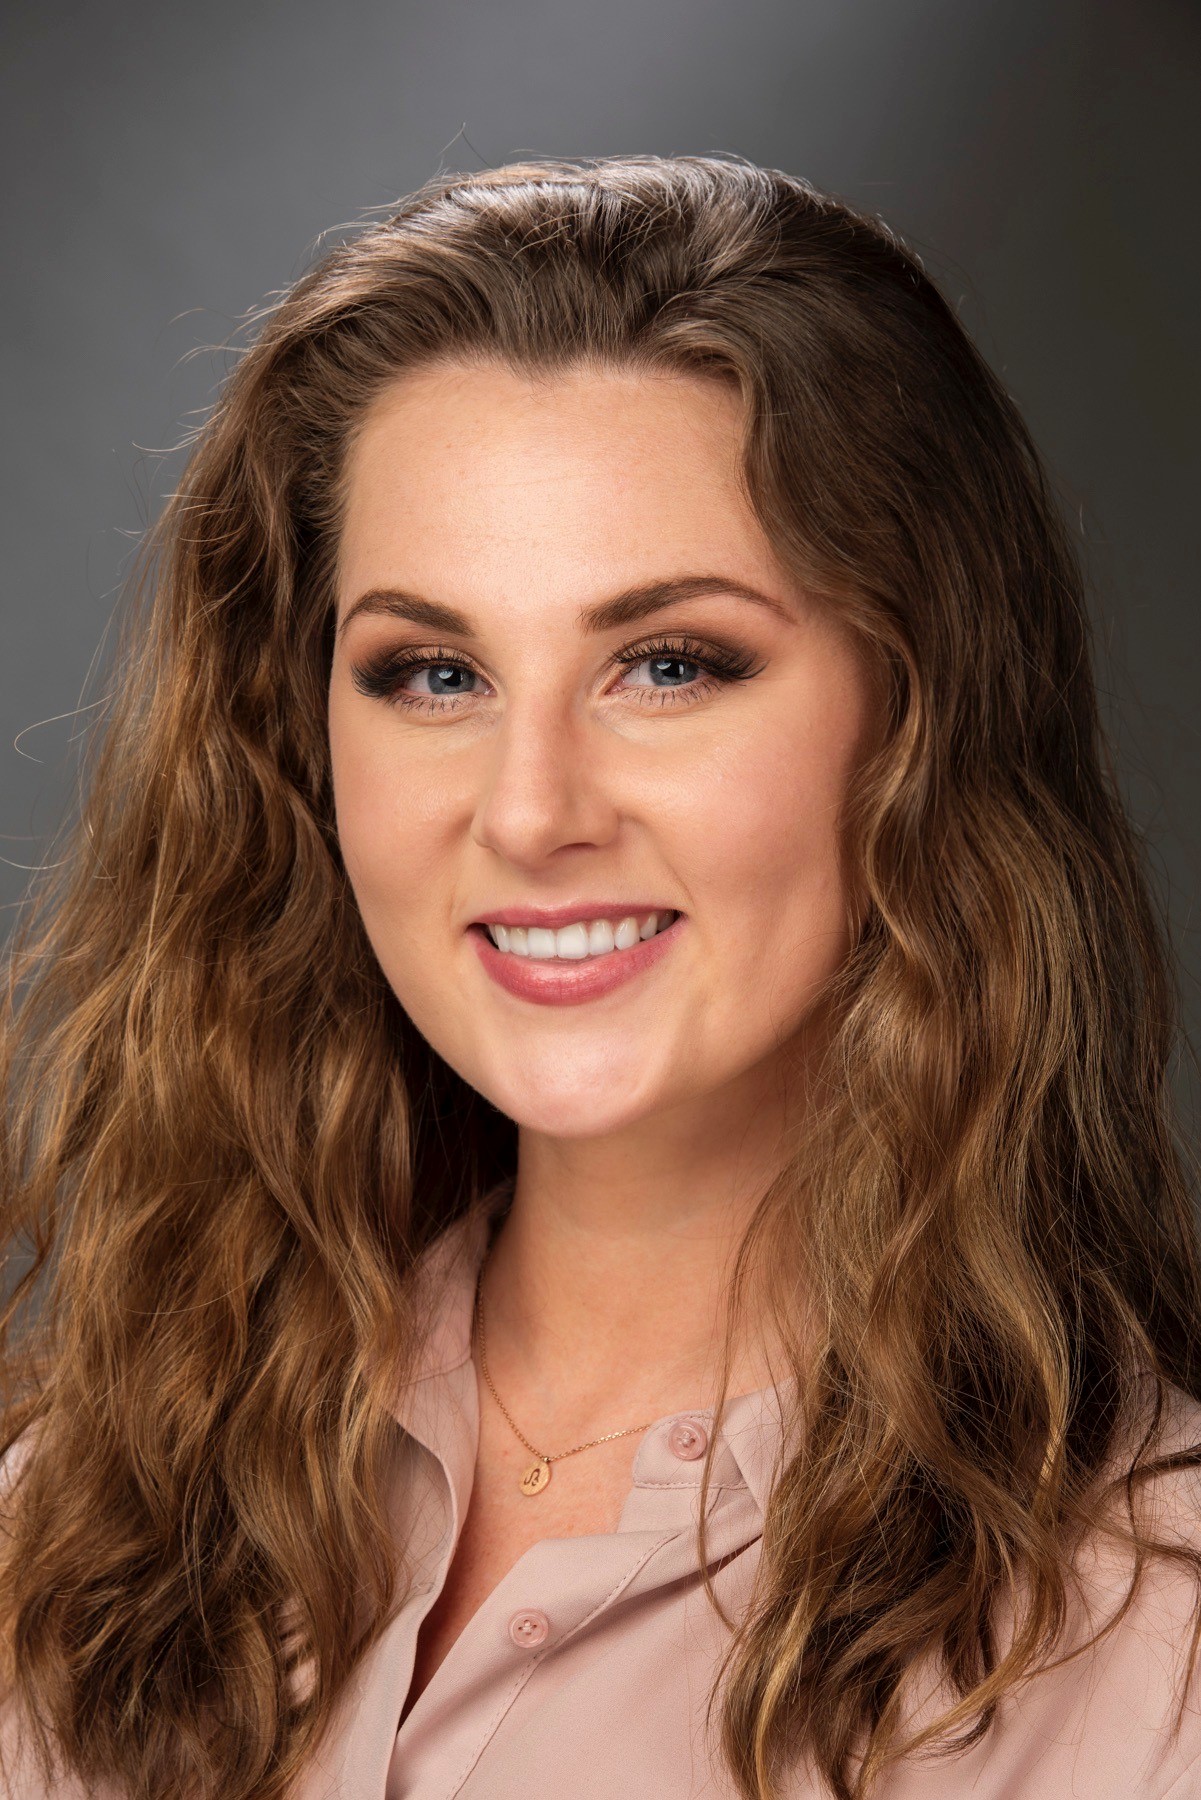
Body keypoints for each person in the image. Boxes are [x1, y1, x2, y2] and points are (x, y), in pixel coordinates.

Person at [1, 152, 1200, 1800]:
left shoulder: (1152, 1647)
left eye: (668, 663)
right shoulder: (60, 1530)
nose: (529, 810)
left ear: (917, 719)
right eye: (431, 673)